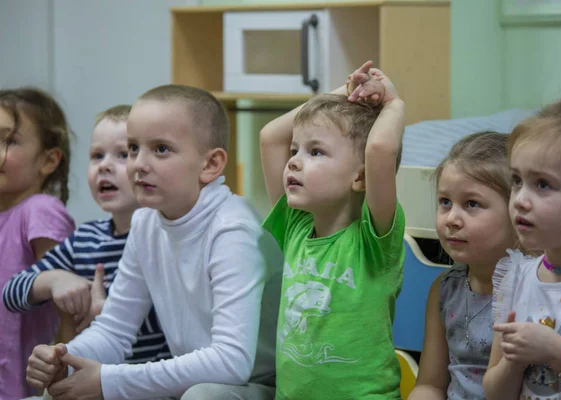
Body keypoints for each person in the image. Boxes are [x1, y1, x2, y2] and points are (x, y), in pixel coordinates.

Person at [26, 85, 282, 400]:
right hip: (195, 383)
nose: (138, 164)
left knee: (204, 396)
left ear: (210, 164)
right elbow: (115, 330)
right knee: (58, 392)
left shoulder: (233, 229)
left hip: (263, 386)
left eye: (160, 149)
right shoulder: (146, 221)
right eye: (133, 148)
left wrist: (109, 381)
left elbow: (232, 362)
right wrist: (64, 358)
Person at [259, 61, 406, 399]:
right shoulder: (295, 226)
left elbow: (380, 150)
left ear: (361, 176)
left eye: (316, 152)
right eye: (295, 151)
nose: (293, 161)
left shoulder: (373, 241)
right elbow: (270, 137)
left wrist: (392, 104)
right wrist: (346, 92)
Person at [3, 104, 170, 366]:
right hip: (94, 383)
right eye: (96, 155)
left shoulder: (166, 237)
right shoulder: (85, 239)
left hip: (153, 383)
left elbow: (179, 318)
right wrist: (54, 279)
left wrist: (114, 316)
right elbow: (10, 293)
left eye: (123, 154)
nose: (104, 166)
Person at [483, 101, 561, 399]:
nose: (520, 199)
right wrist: (512, 362)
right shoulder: (514, 280)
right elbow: (496, 394)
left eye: (543, 184)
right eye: (517, 180)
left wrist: (559, 353)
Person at [407, 131, 516, 400]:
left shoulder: (533, 291)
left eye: (472, 204)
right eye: (445, 202)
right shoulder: (445, 290)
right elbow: (430, 384)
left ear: (518, 211)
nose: (452, 218)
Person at [0, 88, 76, 399]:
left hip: (23, 388)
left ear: (48, 160)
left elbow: (70, 305)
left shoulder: (40, 210)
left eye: (9, 140)